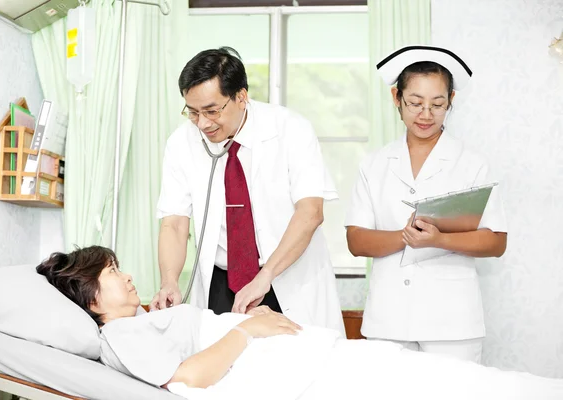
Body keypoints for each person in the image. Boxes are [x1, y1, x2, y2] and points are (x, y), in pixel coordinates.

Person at [36, 246, 563, 400]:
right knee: (441, 383)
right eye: (112, 273)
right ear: (89, 297)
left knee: (436, 381)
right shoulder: (119, 333)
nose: (127, 276)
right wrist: (246, 331)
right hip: (288, 365)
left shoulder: (134, 322)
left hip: (296, 356)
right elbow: (188, 378)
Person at [151, 46, 344, 335]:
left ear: (241, 97)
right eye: (192, 112)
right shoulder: (180, 144)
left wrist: (266, 275)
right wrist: (169, 281)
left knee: (299, 365)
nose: (203, 123)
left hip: (285, 274)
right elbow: (175, 223)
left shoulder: (290, 129)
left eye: (212, 111)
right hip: (221, 280)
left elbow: (311, 213)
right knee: (222, 367)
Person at [345, 45, 508, 363]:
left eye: (437, 104)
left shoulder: (471, 163)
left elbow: (496, 240)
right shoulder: (374, 165)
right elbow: (356, 240)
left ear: (451, 102)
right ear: (396, 98)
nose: (425, 114)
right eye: (415, 103)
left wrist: (439, 239)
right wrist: (405, 236)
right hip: (388, 319)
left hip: (452, 322)